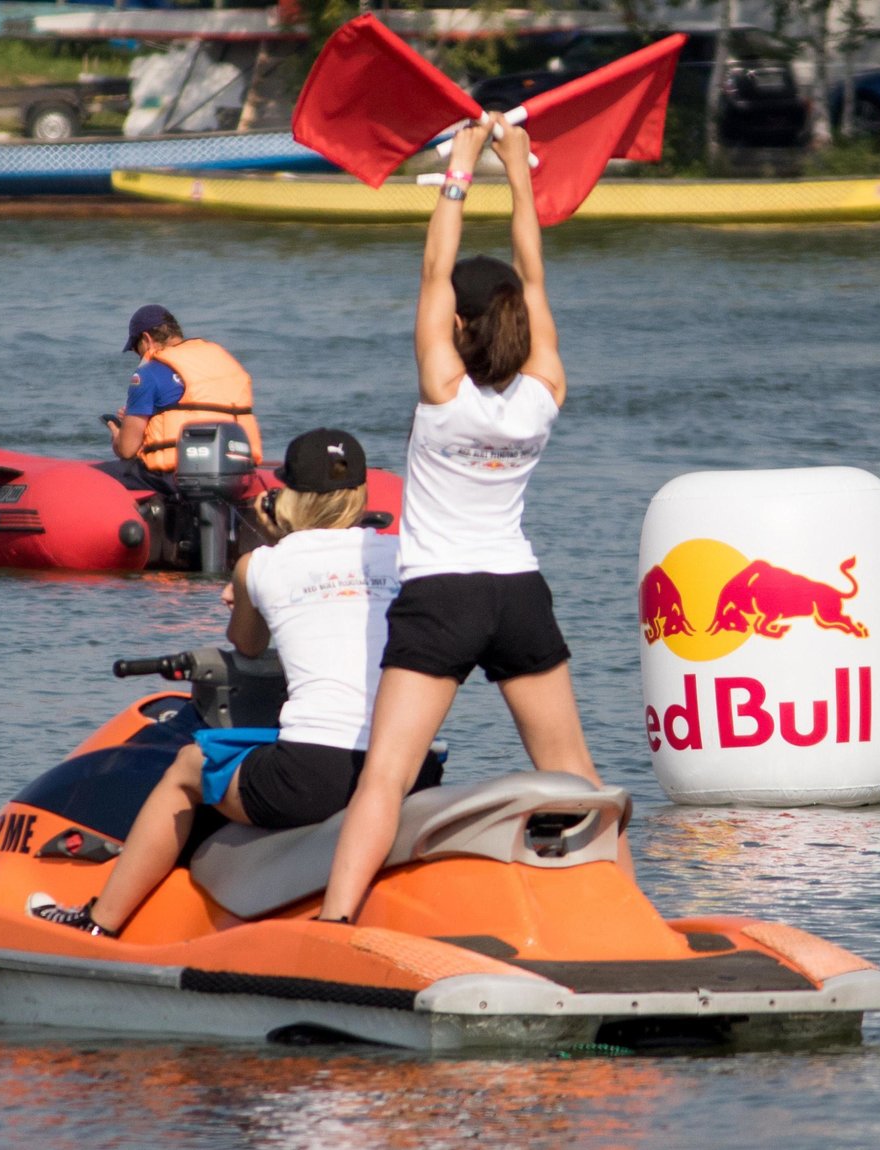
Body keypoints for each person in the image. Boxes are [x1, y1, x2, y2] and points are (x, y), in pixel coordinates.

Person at [316, 119, 628, 927]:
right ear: (520, 324)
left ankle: (336, 923)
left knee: (385, 776)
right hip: (519, 594)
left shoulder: (442, 388)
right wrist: (519, 172)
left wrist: (457, 170)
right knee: (576, 774)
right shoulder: (545, 388)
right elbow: (533, 271)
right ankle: (629, 912)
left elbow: (431, 268)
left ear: (456, 325)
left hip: (443, 596)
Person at [31, 428, 434, 938]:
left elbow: (246, 644)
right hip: (412, 767)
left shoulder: (261, 564)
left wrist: (264, 556)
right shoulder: (405, 557)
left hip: (312, 775)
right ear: (358, 494)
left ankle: (100, 920)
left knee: (187, 767)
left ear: (289, 495)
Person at [105, 305, 264, 485]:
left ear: (146, 339)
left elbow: (127, 449)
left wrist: (118, 436)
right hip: (238, 471)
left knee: (99, 477)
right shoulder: (223, 360)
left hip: (177, 475)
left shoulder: (148, 374)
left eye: (136, 348)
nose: (139, 356)